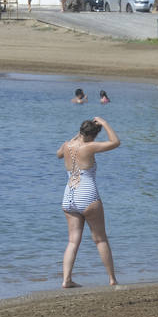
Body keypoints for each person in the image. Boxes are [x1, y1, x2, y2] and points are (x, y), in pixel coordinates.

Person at [58, 116, 121, 287]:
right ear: (93, 135)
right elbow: (115, 142)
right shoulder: (91, 146)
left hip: (69, 198)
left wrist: (76, 136)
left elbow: (58, 155)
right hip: (87, 196)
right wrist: (105, 123)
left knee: (72, 241)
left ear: (80, 131)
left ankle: (66, 280)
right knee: (100, 239)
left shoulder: (67, 146)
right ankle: (112, 279)